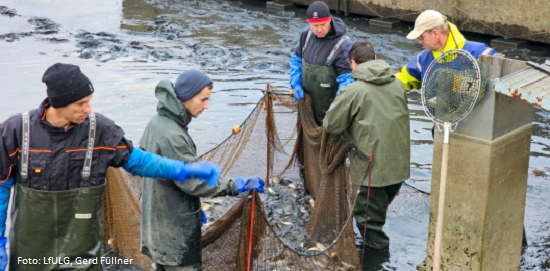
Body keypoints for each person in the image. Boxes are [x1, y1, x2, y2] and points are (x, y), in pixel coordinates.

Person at [0, 63, 221, 271]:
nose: (88, 109)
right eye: (80, 103)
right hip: (31, 257)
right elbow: (1, 189)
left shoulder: (100, 131)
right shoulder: (17, 132)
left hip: (83, 256)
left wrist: (181, 170)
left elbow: (139, 161)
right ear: (57, 103)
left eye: (89, 100)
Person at [139, 70, 265, 271]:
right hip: (175, 239)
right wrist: (237, 184)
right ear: (187, 97)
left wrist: (193, 211)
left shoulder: (157, 122)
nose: (206, 106)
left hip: (156, 227)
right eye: (203, 99)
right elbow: (194, 182)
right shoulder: (173, 135)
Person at [323, 41, 410, 270]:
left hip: (371, 171)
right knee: (377, 214)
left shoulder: (354, 90)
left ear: (352, 63)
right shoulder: (398, 83)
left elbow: (331, 125)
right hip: (399, 168)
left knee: (368, 225)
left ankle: (377, 263)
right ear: (375, 57)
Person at [396, 9, 496, 92]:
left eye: (422, 37)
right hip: (437, 116)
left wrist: (451, 84)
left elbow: (493, 88)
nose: (420, 42)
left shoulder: (481, 53)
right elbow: (403, 79)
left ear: (435, 34)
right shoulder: (422, 59)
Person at [289, 0, 354, 126]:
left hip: (330, 114)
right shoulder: (306, 35)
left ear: (330, 19)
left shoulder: (343, 44)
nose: (319, 29)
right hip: (308, 111)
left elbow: (347, 79)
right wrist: (295, 82)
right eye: (315, 26)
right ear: (309, 23)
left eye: (323, 24)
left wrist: (336, 107)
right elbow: (296, 59)